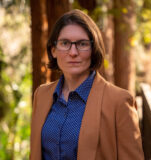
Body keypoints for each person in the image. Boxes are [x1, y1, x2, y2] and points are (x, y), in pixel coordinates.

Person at [30, 9, 144, 160]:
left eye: (82, 44)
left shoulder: (119, 101)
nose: (73, 52)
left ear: (93, 49)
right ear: (54, 50)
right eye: (65, 43)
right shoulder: (42, 95)